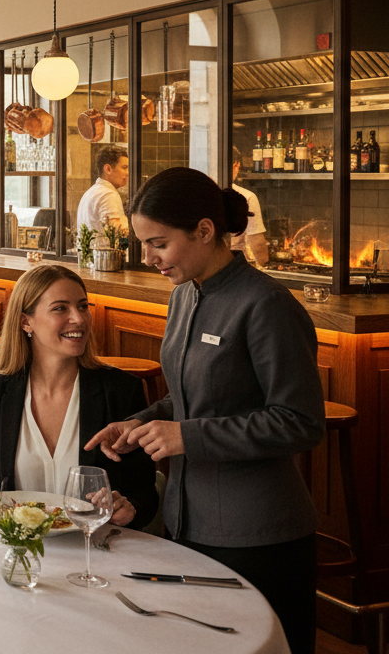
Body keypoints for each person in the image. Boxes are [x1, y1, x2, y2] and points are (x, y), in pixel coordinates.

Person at [86, 167, 324, 654]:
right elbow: (192, 397)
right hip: (185, 524)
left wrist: (185, 438)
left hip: (258, 534)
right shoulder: (183, 295)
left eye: (158, 244)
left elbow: (299, 421)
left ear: (204, 230)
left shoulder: (266, 304)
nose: (148, 258)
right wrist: (141, 422)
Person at [0, 264, 157, 530]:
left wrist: (129, 508)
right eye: (61, 308)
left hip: (92, 553)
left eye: (83, 306)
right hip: (18, 549)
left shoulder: (120, 390)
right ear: (26, 322)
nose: (79, 319)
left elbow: (146, 495)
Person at [75, 146, 129, 240]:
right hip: (102, 254)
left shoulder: (91, 192)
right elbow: (116, 233)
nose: (127, 173)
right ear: (108, 169)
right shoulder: (108, 195)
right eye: (124, 168)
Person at [229, 146, 268, 266]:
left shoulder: (197, 194)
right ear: (236, 164)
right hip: (235, 268)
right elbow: (257, 243)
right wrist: (264, 266)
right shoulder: (246, 197)